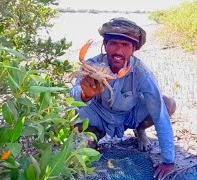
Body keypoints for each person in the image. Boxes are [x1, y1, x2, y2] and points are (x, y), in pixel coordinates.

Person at [70, 17, 176, 179]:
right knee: (71, 115)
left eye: (125, 45)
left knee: (167, 104)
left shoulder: (142, 73)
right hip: (99, 116)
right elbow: (74, 93)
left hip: (130, 115)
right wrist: (85, 95)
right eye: (113, 44)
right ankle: (94, 137)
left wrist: (169, 161)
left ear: (134, 49)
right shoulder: (92, 65)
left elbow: (159, 114)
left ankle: (140, 130)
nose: (118, 51)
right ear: (105, 45)